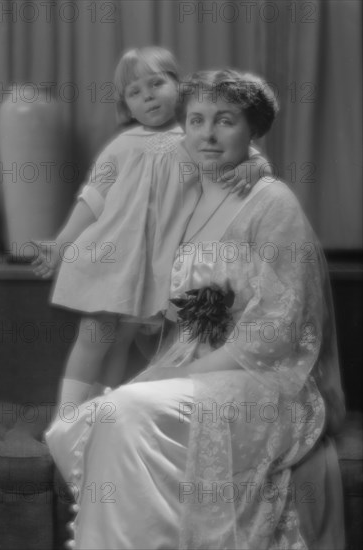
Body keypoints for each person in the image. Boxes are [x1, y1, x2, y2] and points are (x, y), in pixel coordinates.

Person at [46, 68, 346, 550]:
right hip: (192, 368)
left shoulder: (274, 204)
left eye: (225, 120)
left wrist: (173, 376)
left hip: (264, 380)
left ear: (253, 131)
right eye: (196, 119)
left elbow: (279, 330)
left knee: (123, 414)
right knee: (86, 423)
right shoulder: (189, 186)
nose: (207, 133)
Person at [32, 47, 270, 407]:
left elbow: (247, 155)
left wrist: (255, 167)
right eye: (135, 92)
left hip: (159, 259)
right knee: (95, 333)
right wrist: (62, 242)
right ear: (127, 106)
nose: (148, 95)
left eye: (156, 83)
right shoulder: (121, 145)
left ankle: (101, 409)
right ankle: (67, 415)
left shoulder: (195, 139)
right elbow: (94, 197)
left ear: (179, 85)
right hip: (110, 254)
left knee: (126, 339)